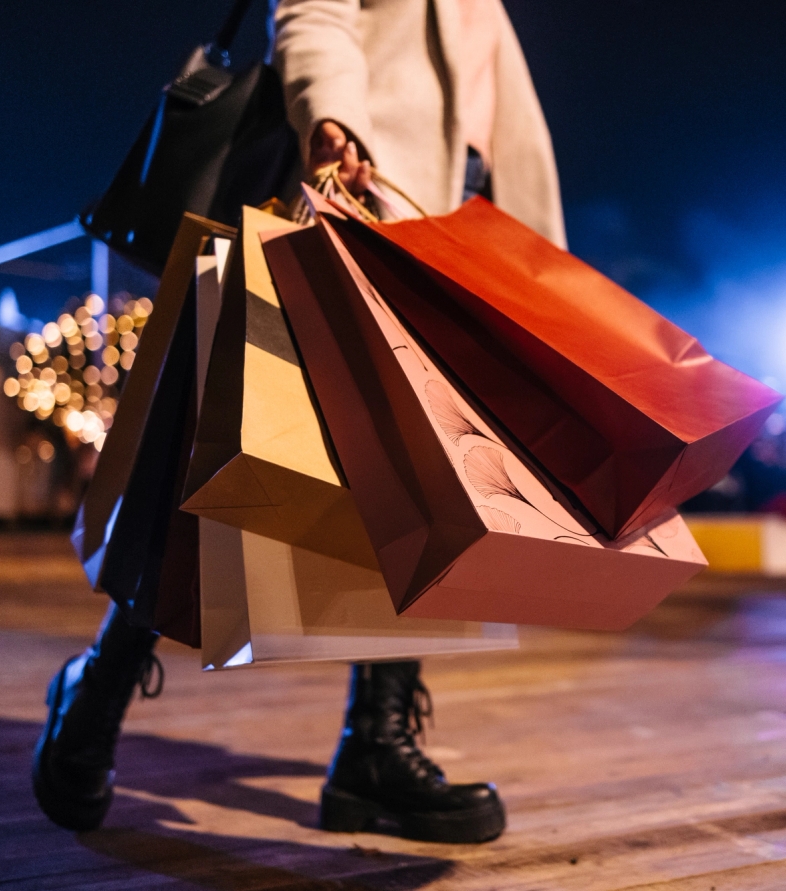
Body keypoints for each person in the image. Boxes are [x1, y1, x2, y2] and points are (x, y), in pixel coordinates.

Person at [32, 0, 565, 845]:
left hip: (443, 232)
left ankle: (375, 744)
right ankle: (97, 690)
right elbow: (311, 12)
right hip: (341, 192)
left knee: (423, 495)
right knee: (206, 465)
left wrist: (527, 251)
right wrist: (332, 117)